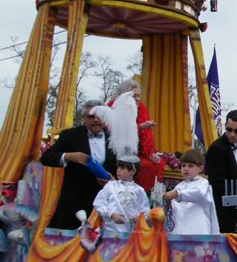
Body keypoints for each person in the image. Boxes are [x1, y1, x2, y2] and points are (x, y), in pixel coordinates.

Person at [40, 99, 117, 230]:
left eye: (100, 116)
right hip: (75, 204)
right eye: (91, 116)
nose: (96, 120)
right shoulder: (70, 135)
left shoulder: (115, 137)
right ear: (83, 118)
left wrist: (115, 181)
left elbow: (128, 164)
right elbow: (46, 158)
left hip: (107, 203)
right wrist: (69, 156)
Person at [109, 79, 161, 191]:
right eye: (134, 96)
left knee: (153, 164)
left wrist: (152, 152)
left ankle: (145, 195)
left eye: (138, 96)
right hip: (116, 152)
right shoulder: (114, 108)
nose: (137, 99)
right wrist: (140, 126)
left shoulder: (140, 109)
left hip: (136, 152)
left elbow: (147, 137)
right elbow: (118, 132)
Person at [205, 110, 237, 233]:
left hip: (232, 212)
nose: (232, 134)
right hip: (219, 211)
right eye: (229, 129)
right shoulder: (216, 148)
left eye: (236, 131)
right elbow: (217, 183)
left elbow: (236, 177)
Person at [162, 150, 220, 235]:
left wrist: (178, 194)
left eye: (190, 166)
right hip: (180, 231)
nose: (186, 168)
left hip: (198, 231)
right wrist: (169, 205)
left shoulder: (203, 183)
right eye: (183, 165)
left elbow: (199, 194)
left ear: (200, 168)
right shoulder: (178, 187)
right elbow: (176, 209)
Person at [93, 160, 151, 233]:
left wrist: (138, 216)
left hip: (131, 234)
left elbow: (145, 209)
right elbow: (98, 203)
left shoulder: (139, 190)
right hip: (110, 232)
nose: (118, 170)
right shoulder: (110, 186)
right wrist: (111, 214)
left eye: (122, 168)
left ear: (132, 171)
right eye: (118, 167)